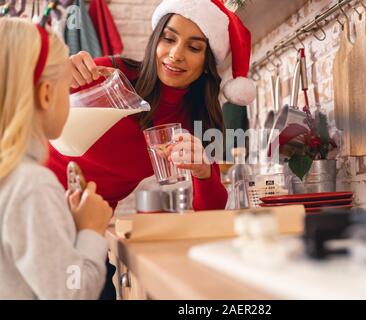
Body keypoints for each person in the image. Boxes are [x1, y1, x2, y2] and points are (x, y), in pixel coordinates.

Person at [46, 0, 256, 300]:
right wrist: (55, 75)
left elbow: (210, 213)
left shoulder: (194, 120)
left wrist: (203, 170)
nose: (175, 54)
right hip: (35, 212)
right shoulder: (109, 76)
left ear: (207, 62)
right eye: (168, 39)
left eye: (194, 48)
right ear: (155, 40)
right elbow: (26, 106)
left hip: (85, 231)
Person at [0, 18, 113, 299]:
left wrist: (65, 225)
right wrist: (90, 230)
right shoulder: (31, 185)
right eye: (66, 91)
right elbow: (72, 292)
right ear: (47, 94)